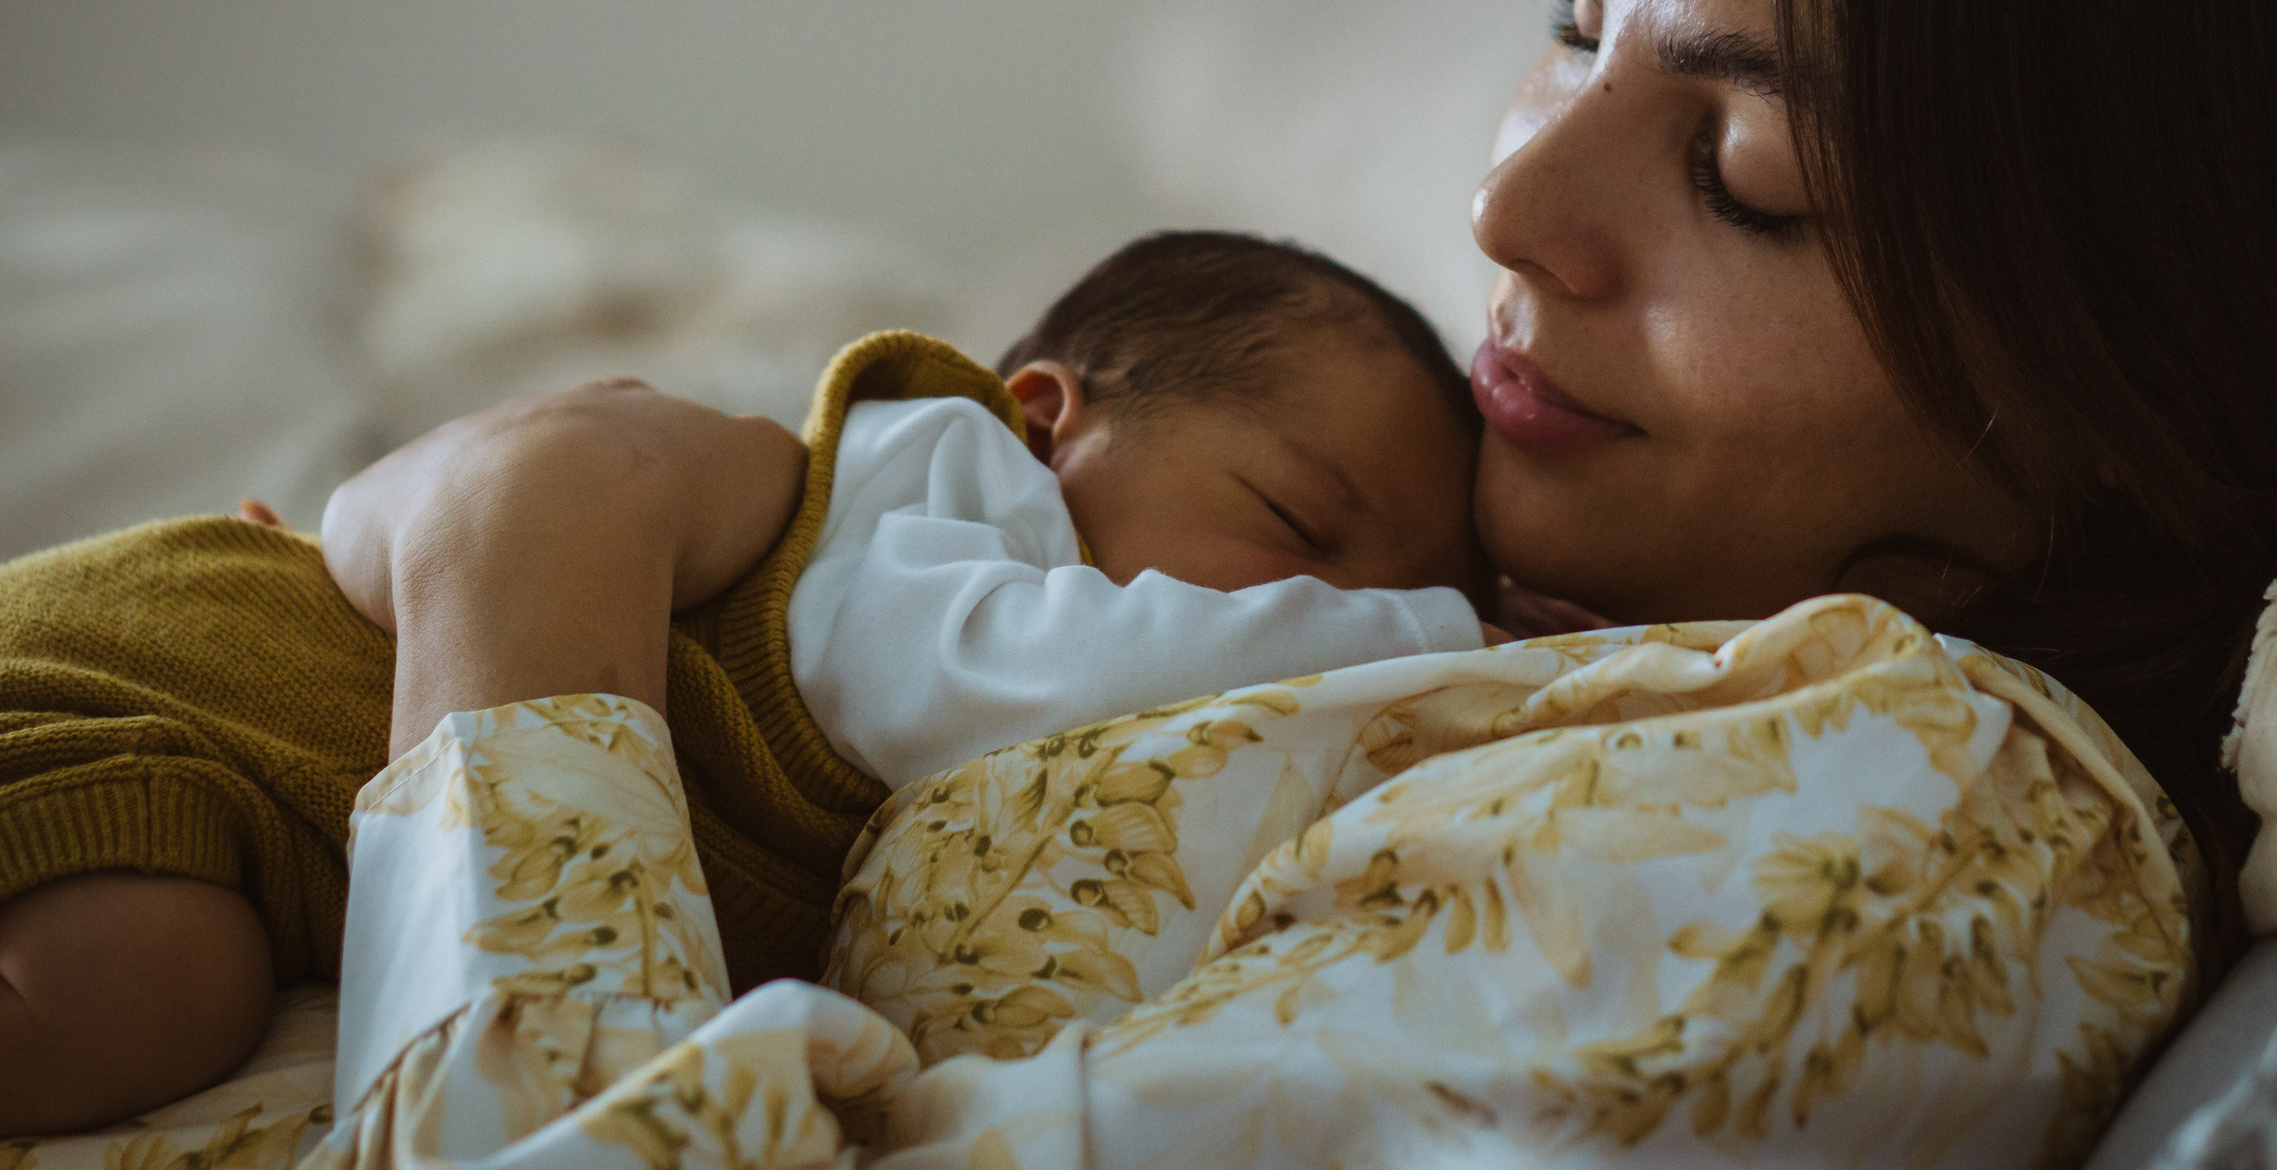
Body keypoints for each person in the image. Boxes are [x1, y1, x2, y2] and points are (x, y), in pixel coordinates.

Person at [18, 0, 2277, 1166]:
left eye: (1749, 177)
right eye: (1568, 29)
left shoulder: (1903, 837)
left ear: (2140, 379)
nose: (1498, 205)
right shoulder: (1525, 594)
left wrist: (516, 579)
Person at [0, 231, 1500, 1135]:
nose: (1336, 610)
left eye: (1402, 580)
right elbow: (982, 678)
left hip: (219, 806)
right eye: (1305, 530)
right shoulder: (929, 476)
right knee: (134, 985)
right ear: (1046, 417)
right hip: (145, 686)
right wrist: (1461, 632)